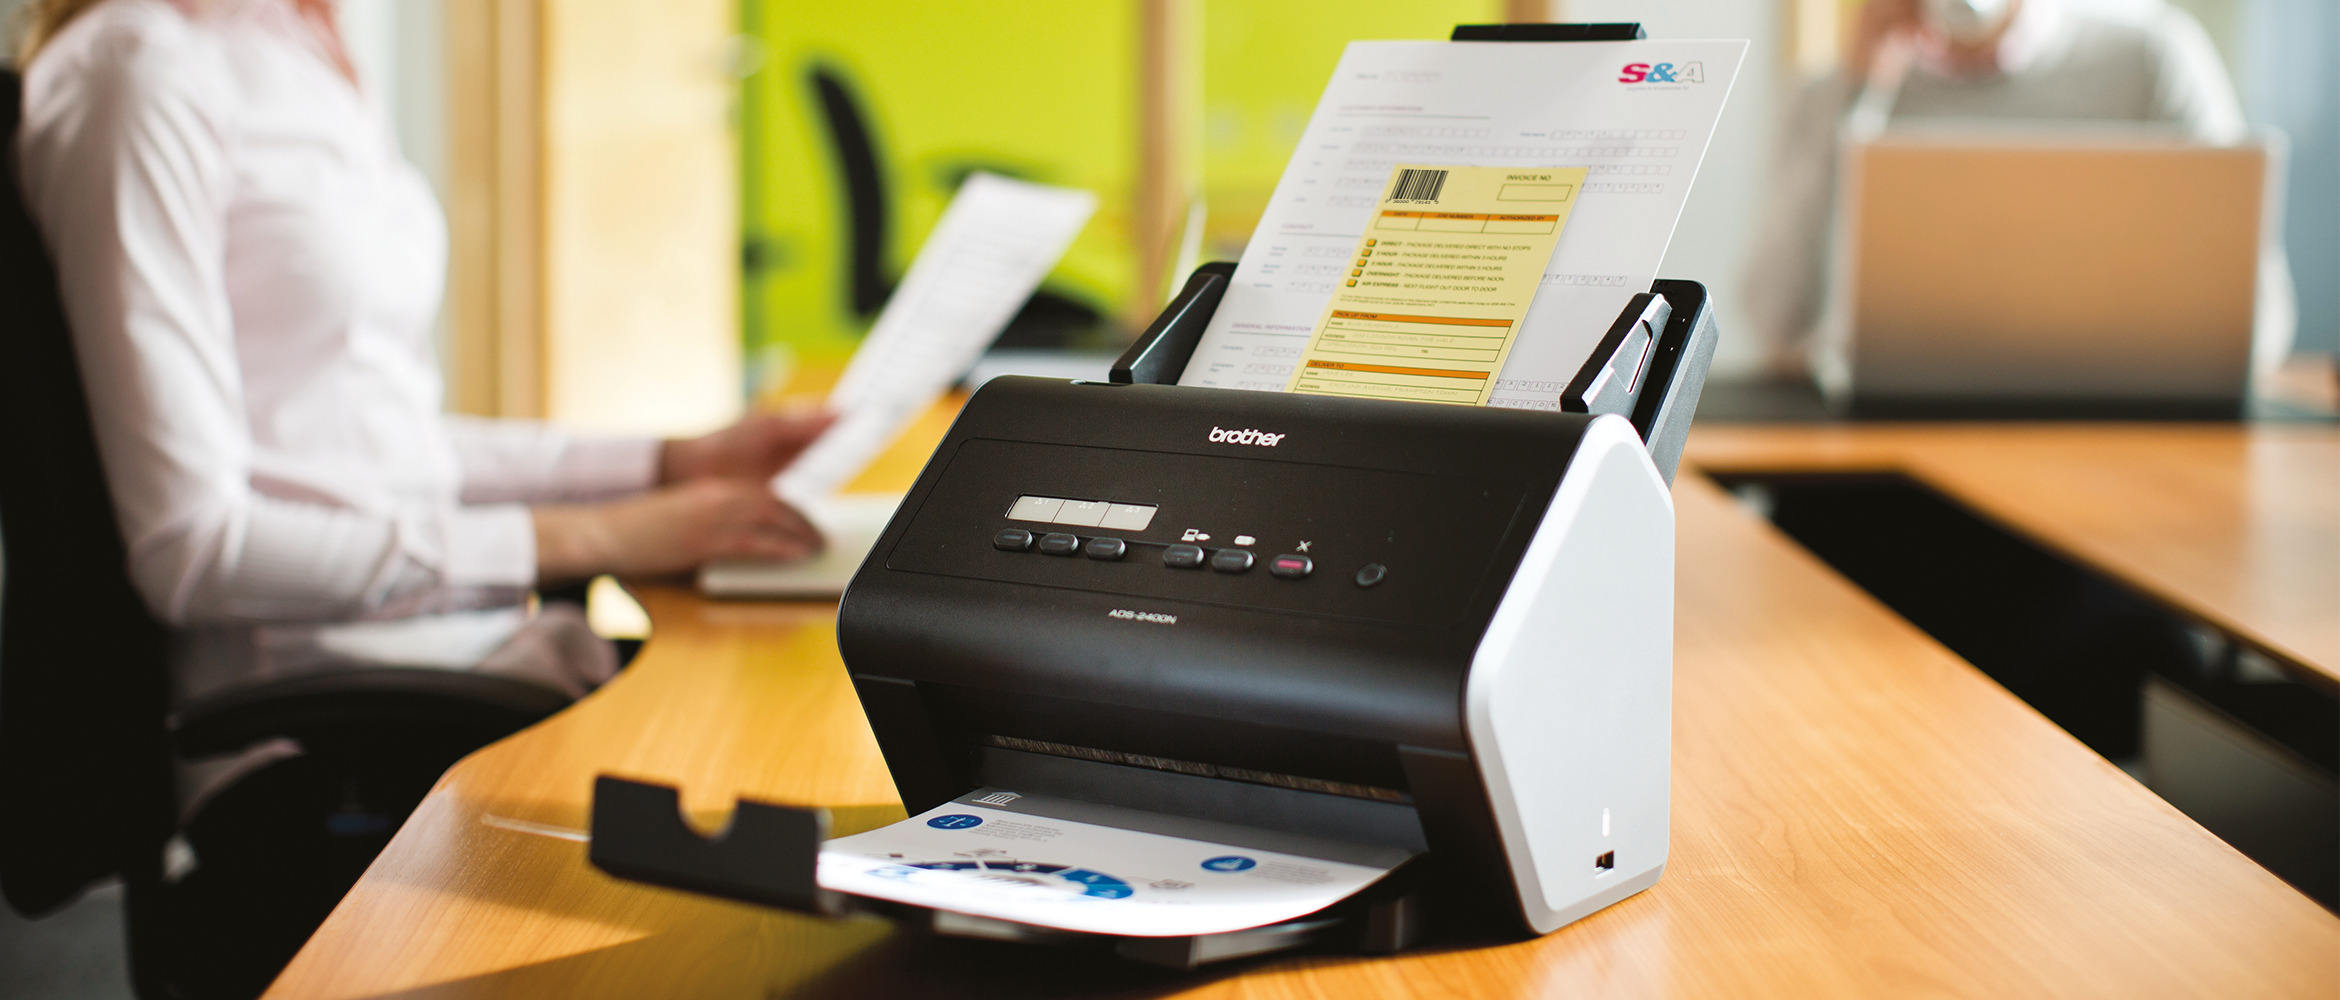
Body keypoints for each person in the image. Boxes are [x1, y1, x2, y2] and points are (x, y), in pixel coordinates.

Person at [12, 0, 831, 720]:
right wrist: (596, 535)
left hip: (473, 656)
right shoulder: (140, 76)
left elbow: (384, 448)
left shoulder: (294, 43)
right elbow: (193, 550)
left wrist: (672, 462)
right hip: (335, 721)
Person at [1744, 0, 2293, 377]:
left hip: (2121, 440)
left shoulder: (2154, 60)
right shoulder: (1829, 95)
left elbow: (2260, 322)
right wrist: (1856, 91)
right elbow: (1775, 321)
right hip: (1884, 448)